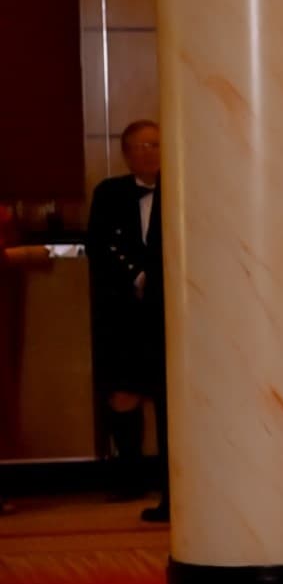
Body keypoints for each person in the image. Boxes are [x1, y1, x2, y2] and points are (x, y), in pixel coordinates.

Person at [86, 118, 168, 521]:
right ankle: (129, 475)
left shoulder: (183, 187)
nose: (149, 152)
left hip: (169, 310)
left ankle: (171, 482)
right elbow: (99, 245)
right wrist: (137, 274)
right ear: (126, 153)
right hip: (124, 310)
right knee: (124, 392)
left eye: (155, 145)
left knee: (168, 395)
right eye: (141, 146)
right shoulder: (110, 193)